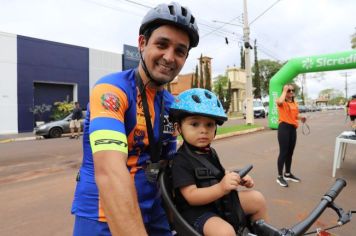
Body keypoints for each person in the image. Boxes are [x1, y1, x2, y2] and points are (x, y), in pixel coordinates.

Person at [71, 2, 199, 236]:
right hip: (103, 214)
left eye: (180, 51)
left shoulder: (172, 104)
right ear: (142, 44)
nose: (169, 57)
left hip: (154, 210)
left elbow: (170, 163)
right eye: (162, 44)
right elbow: (111, 172)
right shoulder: (111, 90)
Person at [170, 88, 268, 236]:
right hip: (196, 213)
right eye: (195, 124)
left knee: (257, 199)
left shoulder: (210, 153)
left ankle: (257, 231)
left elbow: (218, 174)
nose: (203, 130)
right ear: (178, 128)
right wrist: (222, 188)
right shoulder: (180, 160)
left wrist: (236, 177)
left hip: (217, 202)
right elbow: (191, 196)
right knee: (225, 231)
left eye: (209, 125)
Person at [276, 84, 306, 187]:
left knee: (290, 152)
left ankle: (287, 174)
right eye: (289, 90)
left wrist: (301, 117)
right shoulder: (281, 101)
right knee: (283, 152)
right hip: (284, 128)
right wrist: (284, 90)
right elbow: (279, 102)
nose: (291, 92)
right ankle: (280, 176)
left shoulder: (294, 103)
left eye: (292, 90)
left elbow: (295, 115)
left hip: (292, 129)